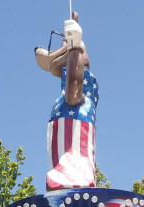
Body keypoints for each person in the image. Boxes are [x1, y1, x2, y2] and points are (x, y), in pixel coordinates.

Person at [34, 12, 99, 191]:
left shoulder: (81, 99)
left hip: (72, 179)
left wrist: (75, 45)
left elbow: (75, 81)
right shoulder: (72, 100)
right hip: (64, 179)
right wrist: (74, 43)